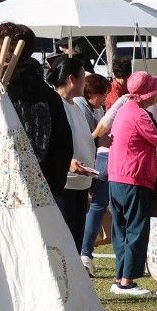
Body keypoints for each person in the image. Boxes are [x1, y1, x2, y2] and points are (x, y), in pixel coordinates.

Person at [105, 70, 157, 297]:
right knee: (137, 228)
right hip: (134, 177)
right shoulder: (140, 115)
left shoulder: (124, 110)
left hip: (116, 176)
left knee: (120, 229)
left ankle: (121, 277)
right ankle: (127, 280)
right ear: (150, 93)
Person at [0, 22, 72, 198]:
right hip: (43, 192)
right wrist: (52, 188)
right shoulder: (50, 96)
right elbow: (63, 147)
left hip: (1, 192)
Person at [54, 56, 100, 253]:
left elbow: (83, 137)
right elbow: (53, 143)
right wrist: (68, 163)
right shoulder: (56, 104)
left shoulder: (76, 105)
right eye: (83, 77)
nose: (85, 82)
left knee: (76, 239)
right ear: (71, 79)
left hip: (82, 183)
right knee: (65, 241)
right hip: (66, 184)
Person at [79, 72, 113, 273]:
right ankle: (84, 252)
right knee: (96, 205)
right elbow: (84, 137)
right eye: (102, 94)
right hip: (83, 164)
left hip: (95, 160)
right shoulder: (80, 107)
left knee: (98, 205)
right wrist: (99, 140)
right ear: (90, 93)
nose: (104, 99)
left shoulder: (96, 108)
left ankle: (85, 252)